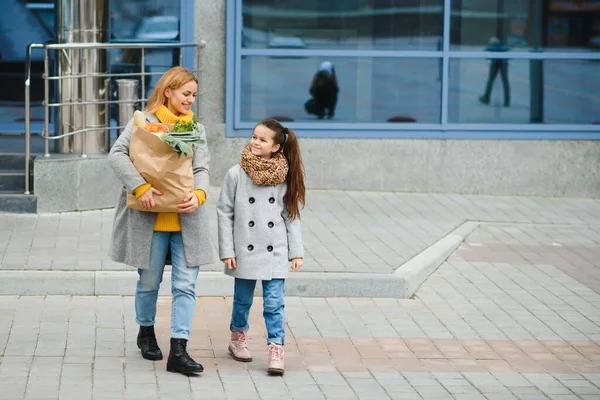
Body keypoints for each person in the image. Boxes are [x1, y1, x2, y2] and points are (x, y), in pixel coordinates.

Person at [108, 66, 213, 375]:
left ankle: (178, 349)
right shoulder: (143, 122)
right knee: (149, 281)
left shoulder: (197, 128)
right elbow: (116, 154)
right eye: (186, 94)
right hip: (148, 217)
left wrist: (200, 195)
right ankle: (146, 331)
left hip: (186, 219)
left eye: (194, 95)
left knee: (185, 285)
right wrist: (140, 187)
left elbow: (202, 169)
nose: (191, 100)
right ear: (168, 91)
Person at [216, 118, 306, 375]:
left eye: (262, 139)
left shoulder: (285, 177)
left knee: (274, 303)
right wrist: (227, 251)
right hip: (244, 248)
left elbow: (291, 215)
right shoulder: (236, 174)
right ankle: (238, 337)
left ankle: (276, 348)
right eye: (254, 137)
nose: (255, 142)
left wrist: (296, 251)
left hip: (275, 249)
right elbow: (224, 212)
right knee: (242, 301)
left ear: (276, 147)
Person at [479, 37, 510, 107]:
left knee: (490, 81)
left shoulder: (491, 48)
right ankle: (507, 101)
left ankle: (486, 98)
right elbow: (509, 52)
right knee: (505, 82)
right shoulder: (503, 47)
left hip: (495, 63)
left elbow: (485, 54)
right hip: (504, 63)